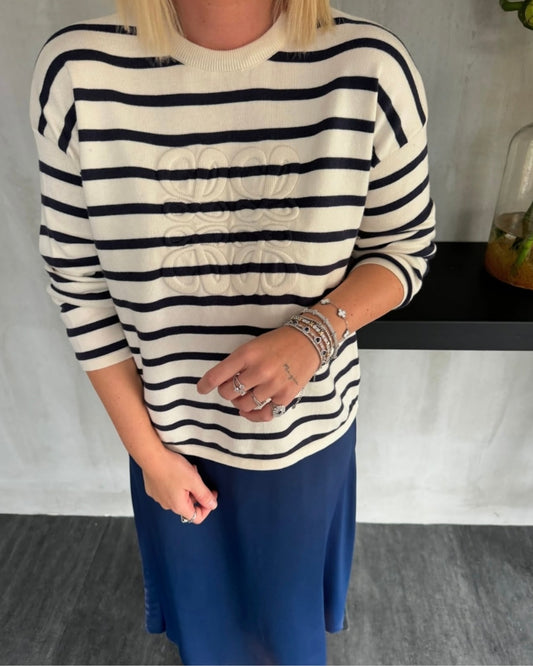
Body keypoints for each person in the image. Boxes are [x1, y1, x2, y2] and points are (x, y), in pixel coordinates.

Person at [30, 0, 436, 663]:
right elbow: (76, 282)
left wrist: (315, 332)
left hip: (303, 440)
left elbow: (404, 249)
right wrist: (150, 456)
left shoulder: (369, 68)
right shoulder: (77, 71)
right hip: (166, 436)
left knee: (286, 636)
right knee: (208, 635)